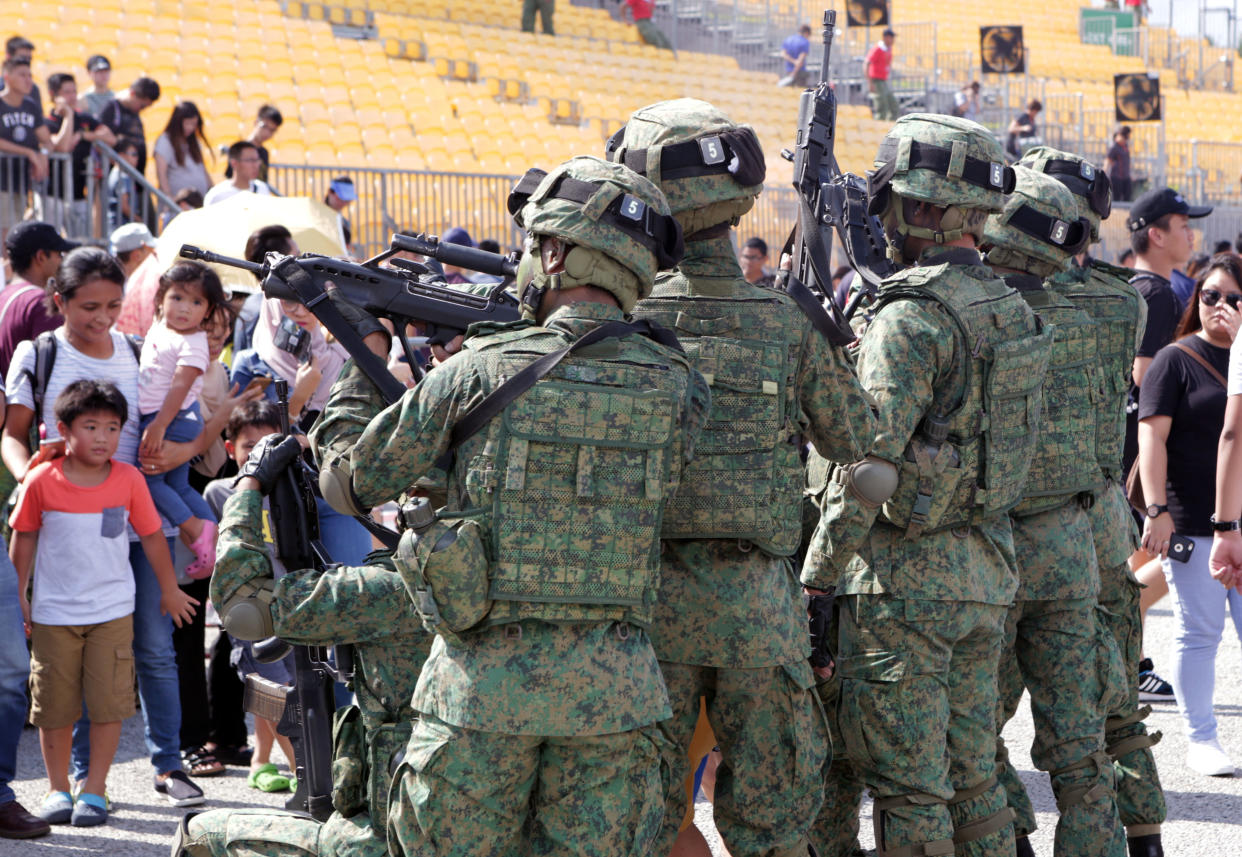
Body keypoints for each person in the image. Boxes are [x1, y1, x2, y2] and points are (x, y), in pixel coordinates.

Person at [311, 154, 707, 857]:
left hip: (482, 692)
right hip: (617, 696)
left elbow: (350, 484)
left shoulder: (478, 370)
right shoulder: (678, 381)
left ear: (554, 252)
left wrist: (360, 364)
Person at [609, 98, 874, 857]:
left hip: (648, 601)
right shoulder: (785, 321)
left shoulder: (626, 319)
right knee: (772, 818)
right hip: (759, 604)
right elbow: (859, 442)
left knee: (649, 810)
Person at [804, 113, 1049, 857]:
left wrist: (816, 579)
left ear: (923, 209)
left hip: (905, 586)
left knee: (911, 787)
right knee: (973, 778)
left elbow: (868, 464)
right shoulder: (1016, 308)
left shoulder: (912, 315)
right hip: (984, 573)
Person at [2, 247, 210, 809]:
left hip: (134, 510)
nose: (102, 317)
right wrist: (32, 481)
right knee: (71, 649)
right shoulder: (39, 352)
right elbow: (13, 433)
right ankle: (72, 781)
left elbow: (170, 430)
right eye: (89, 306)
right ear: (59, 301)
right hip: (63, 517)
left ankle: (168, 765)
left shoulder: (138, 349)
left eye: (114, 305)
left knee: (151, 646)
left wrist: (176, 454)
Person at [171, 414, 433, 857]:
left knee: (201, 832)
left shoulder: (391, 590)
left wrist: (250, 484)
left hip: (403, 826)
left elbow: (241, 605)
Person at [1020, 145, 1168, 857]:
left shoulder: (1020, 300)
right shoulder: (1119, 300)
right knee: (1116, 692)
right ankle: (1141, 828)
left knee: (981, 709)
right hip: (1104, 516)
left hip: (1026, 521)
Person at [980, 165, 1127, 856]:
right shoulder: (1094, 313)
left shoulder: (981, 314)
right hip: (1070, 541)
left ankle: (1009, 839)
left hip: (997, 548)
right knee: (1080, 740)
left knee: (974, 727)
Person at [10, 379, 197, 827]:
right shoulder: (40, 480)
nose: (102, 437)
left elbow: (152, 537)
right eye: (90, 426)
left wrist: (170, 589)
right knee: (54, 707)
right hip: (55, 615)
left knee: (109, 705)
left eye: (112, 428)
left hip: (114, 612)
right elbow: (24, 537)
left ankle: (94, 790)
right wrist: (18, 598)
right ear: (63, 429)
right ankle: (57, 790)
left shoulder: (129, 478)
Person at [1137, 253, 1242, 778]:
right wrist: (1156, 510)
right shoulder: (1175, 359)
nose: (1219, 307)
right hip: (1192, 520)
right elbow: (1151, 437)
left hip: (1240, 524)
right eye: (1209, 295)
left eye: (1232, 299)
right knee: (1199, 631)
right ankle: (1201, 736)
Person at [202, 401, 298, 793]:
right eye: (248, 445)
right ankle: (306, 772)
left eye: (268, 443)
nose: (258, 453)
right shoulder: (218, 493)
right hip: (248, 611)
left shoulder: (294, 488)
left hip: (294, 603)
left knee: (276, 686)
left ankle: (261, 760)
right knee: (272, 687)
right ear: (230, 449)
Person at [137, 261, 231, 577]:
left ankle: (194, 529)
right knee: (177, 483)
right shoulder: (162, 328)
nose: (184, 308)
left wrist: (159, 424)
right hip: (172, 417)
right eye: (177, 297)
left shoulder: (193, 343)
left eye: (196, 302)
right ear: (162, 296)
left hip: (172, 418)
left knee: (149, 481)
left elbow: (180, 385)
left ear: (207, 311)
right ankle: (212, 535)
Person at [0, 220, 75, 378]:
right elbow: (55, 371)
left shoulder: (4, 294)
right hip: (28, 401)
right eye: (59, 254)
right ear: (41, 257)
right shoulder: (40, 302)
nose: (62, 260)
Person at [44, 72, 115, 237]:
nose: (73, 96)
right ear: (54, 95)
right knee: (50, 242)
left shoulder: (84, 118)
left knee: (81, 241)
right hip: (52, 194)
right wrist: (68, 116)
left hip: (78, 193)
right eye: (67, 92)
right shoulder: (48, 122)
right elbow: (63, 146)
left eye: (74, 92)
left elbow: (109, 137)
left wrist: (84, 135)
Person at [0, 56, 53, 234]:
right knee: (5, 230)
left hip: (21, 180)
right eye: (22, 75)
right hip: (2, 179)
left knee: (15, 229)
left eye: (30, 75)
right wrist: (29, 152)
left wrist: (43, 155)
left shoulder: (31, 106)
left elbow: (46, 139)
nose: (28, 80)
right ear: (6, 76)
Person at [153, 101, 212, 212]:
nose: (190, 128)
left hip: (197, 204)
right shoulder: (165, 141)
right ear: (177, 122)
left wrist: (213, 189)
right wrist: (169, 198)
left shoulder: (194, 142)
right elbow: (161, 174)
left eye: (194, 124)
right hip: (177, 207)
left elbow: (202, 170)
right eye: (187, 123)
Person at [98, 76, 160, 177]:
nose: (142, 109)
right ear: (132, 94)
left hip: (136, 179)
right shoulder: (112, 109)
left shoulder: (134, 113)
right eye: (142, 106)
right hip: (116, 178)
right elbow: (101, 141)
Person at [223, 104, 281, 184]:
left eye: (272, 130)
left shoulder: (264, 152)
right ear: (256, 122)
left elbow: (263, 180)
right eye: (264, 126)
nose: (267, 132)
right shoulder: (239, 149)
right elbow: (230, 177)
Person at [204, 141, 274, 205]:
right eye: (250, 160)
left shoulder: (262, 188)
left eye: (257, 160)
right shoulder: (218, 195)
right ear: (234, 163)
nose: (256, 165)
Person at [106, 139, 140, 233]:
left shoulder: (115, 174)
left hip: (116, 227)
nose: (137, 158)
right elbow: (124, 206)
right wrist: (139, 220)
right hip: (122, 228)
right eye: (133, 154)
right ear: (121, 155)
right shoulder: (122, 176)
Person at [865, 28, 899, 120]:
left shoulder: (888, 49)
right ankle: (879, 128)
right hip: (876, 80)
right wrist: (870, 83)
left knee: (894, 106)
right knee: (882, 107)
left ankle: (889, 127)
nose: (893, 40)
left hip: (883, 80)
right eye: (891, 38)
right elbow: (867, 63)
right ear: (885, 38)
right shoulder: (878, 49)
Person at [4, 36, 41, 116]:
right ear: (8, 57)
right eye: (22, 57)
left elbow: (38, 122)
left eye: (29, 59)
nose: (26, 62)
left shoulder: (33, 89)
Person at [324, 175, 354, 248]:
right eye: (340, 197)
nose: (343, 202)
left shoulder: (345, 223)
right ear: (330, 192)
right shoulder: (318, 218)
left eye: (347, 199)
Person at [1105, 125, 1133, 203]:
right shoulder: (1114, 147)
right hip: (1117, 177)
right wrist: (1104, 172)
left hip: (1126, 176)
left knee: (1127, 196)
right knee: (1117, 198)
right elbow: (1108, 160)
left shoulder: (1125, 146)